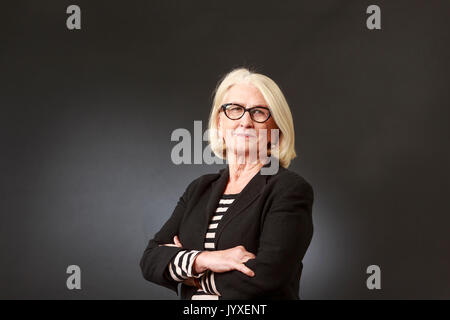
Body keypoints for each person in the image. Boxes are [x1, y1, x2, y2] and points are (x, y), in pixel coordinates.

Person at [140, 68, 314, 299]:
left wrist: (189, 273)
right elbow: (151, 259)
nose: (245, 121)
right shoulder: (199, 189)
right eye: (234, 109)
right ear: (219, 122)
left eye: (259, 112)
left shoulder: (288, 189)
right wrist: (207, 259)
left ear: (276, 128)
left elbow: (267, 275)